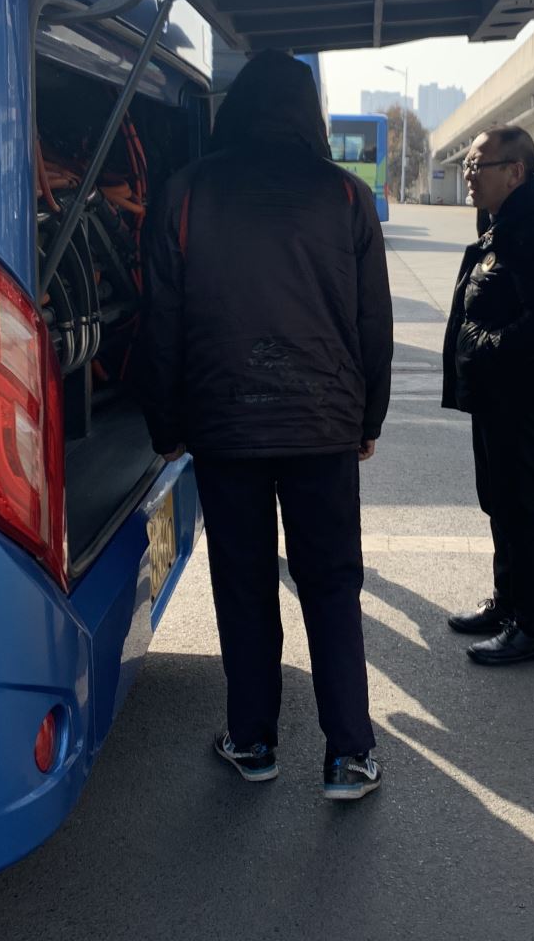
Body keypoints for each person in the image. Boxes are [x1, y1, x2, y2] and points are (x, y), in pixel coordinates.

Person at [140, 50, 393, 801]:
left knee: (244, 583)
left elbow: (161, 323)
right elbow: (372, 322)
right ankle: (350, 754)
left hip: (224, 427)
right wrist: (368, 417)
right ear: (309, 112)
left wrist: (165, 424)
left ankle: (252, 741)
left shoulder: (188, 192)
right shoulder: (345, 196)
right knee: (332, 584)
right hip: (323, 424)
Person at [442, 127, 534, 664]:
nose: (469, 175)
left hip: (517, 394)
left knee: (519, 505)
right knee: (497, 499)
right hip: (492, 389)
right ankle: (508, 603)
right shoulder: (501, 221)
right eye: (468, 166)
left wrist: (482, 345)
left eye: (479, 166)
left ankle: (533, 626)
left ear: (515, 172)